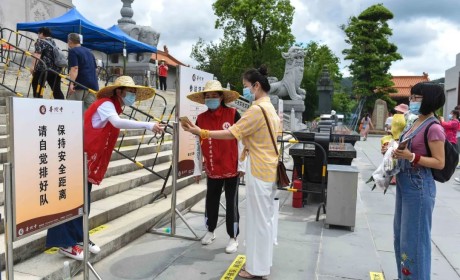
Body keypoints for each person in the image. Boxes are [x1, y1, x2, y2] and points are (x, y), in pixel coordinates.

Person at [45, 76, 164, 260]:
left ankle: (80, 237)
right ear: (119, 91)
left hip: (87, 159)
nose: (132, 96)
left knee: (83, 200)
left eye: (134, 92)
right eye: (130, 92)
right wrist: (148, 125)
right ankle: (66, 244)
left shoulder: (113, 107)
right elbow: (117, 123)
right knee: (72, 199)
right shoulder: (106, 104)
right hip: (77, 156)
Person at [182, 66, 280, 279]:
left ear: (256, 85)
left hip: (254, 167)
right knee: (262, 220)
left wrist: (203, 132)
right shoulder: (269, 108)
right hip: (264, 167)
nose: (245, 90)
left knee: (258, 221)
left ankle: (256, 267)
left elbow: (232, 134)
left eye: (246, 86)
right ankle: (260, 264)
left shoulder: (255, 110)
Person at [392, 82, 445, 280]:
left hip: (419, 187)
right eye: (411, 97)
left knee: (415, 241)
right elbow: (406, 148)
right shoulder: (415, 122)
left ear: (428, 99)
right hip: (405, 183)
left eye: (416, 98)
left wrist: (411, 157)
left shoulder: (433, 128)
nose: (411, 101)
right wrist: (394, 151)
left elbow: (440, 162)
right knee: (401, 239)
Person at [187, 80, 246, 254]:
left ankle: (233, 237)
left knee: (231, 203)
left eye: (214, 95)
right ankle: (210, 231)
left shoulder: (233, 114)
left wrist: (242, 164)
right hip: (212, 167)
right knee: (211, 202)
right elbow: (198, 144)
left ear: (221, 97)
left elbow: (241, 140)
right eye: (208, 96)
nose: (211, 98)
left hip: (231, 167)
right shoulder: (201, 118)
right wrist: (197, 169)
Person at [66, 33, 99, 111]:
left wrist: (71, 83)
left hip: (80, 84)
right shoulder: (89, 52)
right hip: (93, 86)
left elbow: (74, 68)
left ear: (70, 41)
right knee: (88, 113)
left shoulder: (73, 51)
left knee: (72, 110)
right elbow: (95, 69)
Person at [30, 27, 64, 100]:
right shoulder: (53, 42)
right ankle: (62, 105)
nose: (38, 35)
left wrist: (33, 67)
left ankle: (38, 103)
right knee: (56, 90)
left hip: (43, 69)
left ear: (42, 33)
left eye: (38, 33)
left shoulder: (40, 42)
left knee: (36, 84)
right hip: (55, 70)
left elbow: (37, 55)